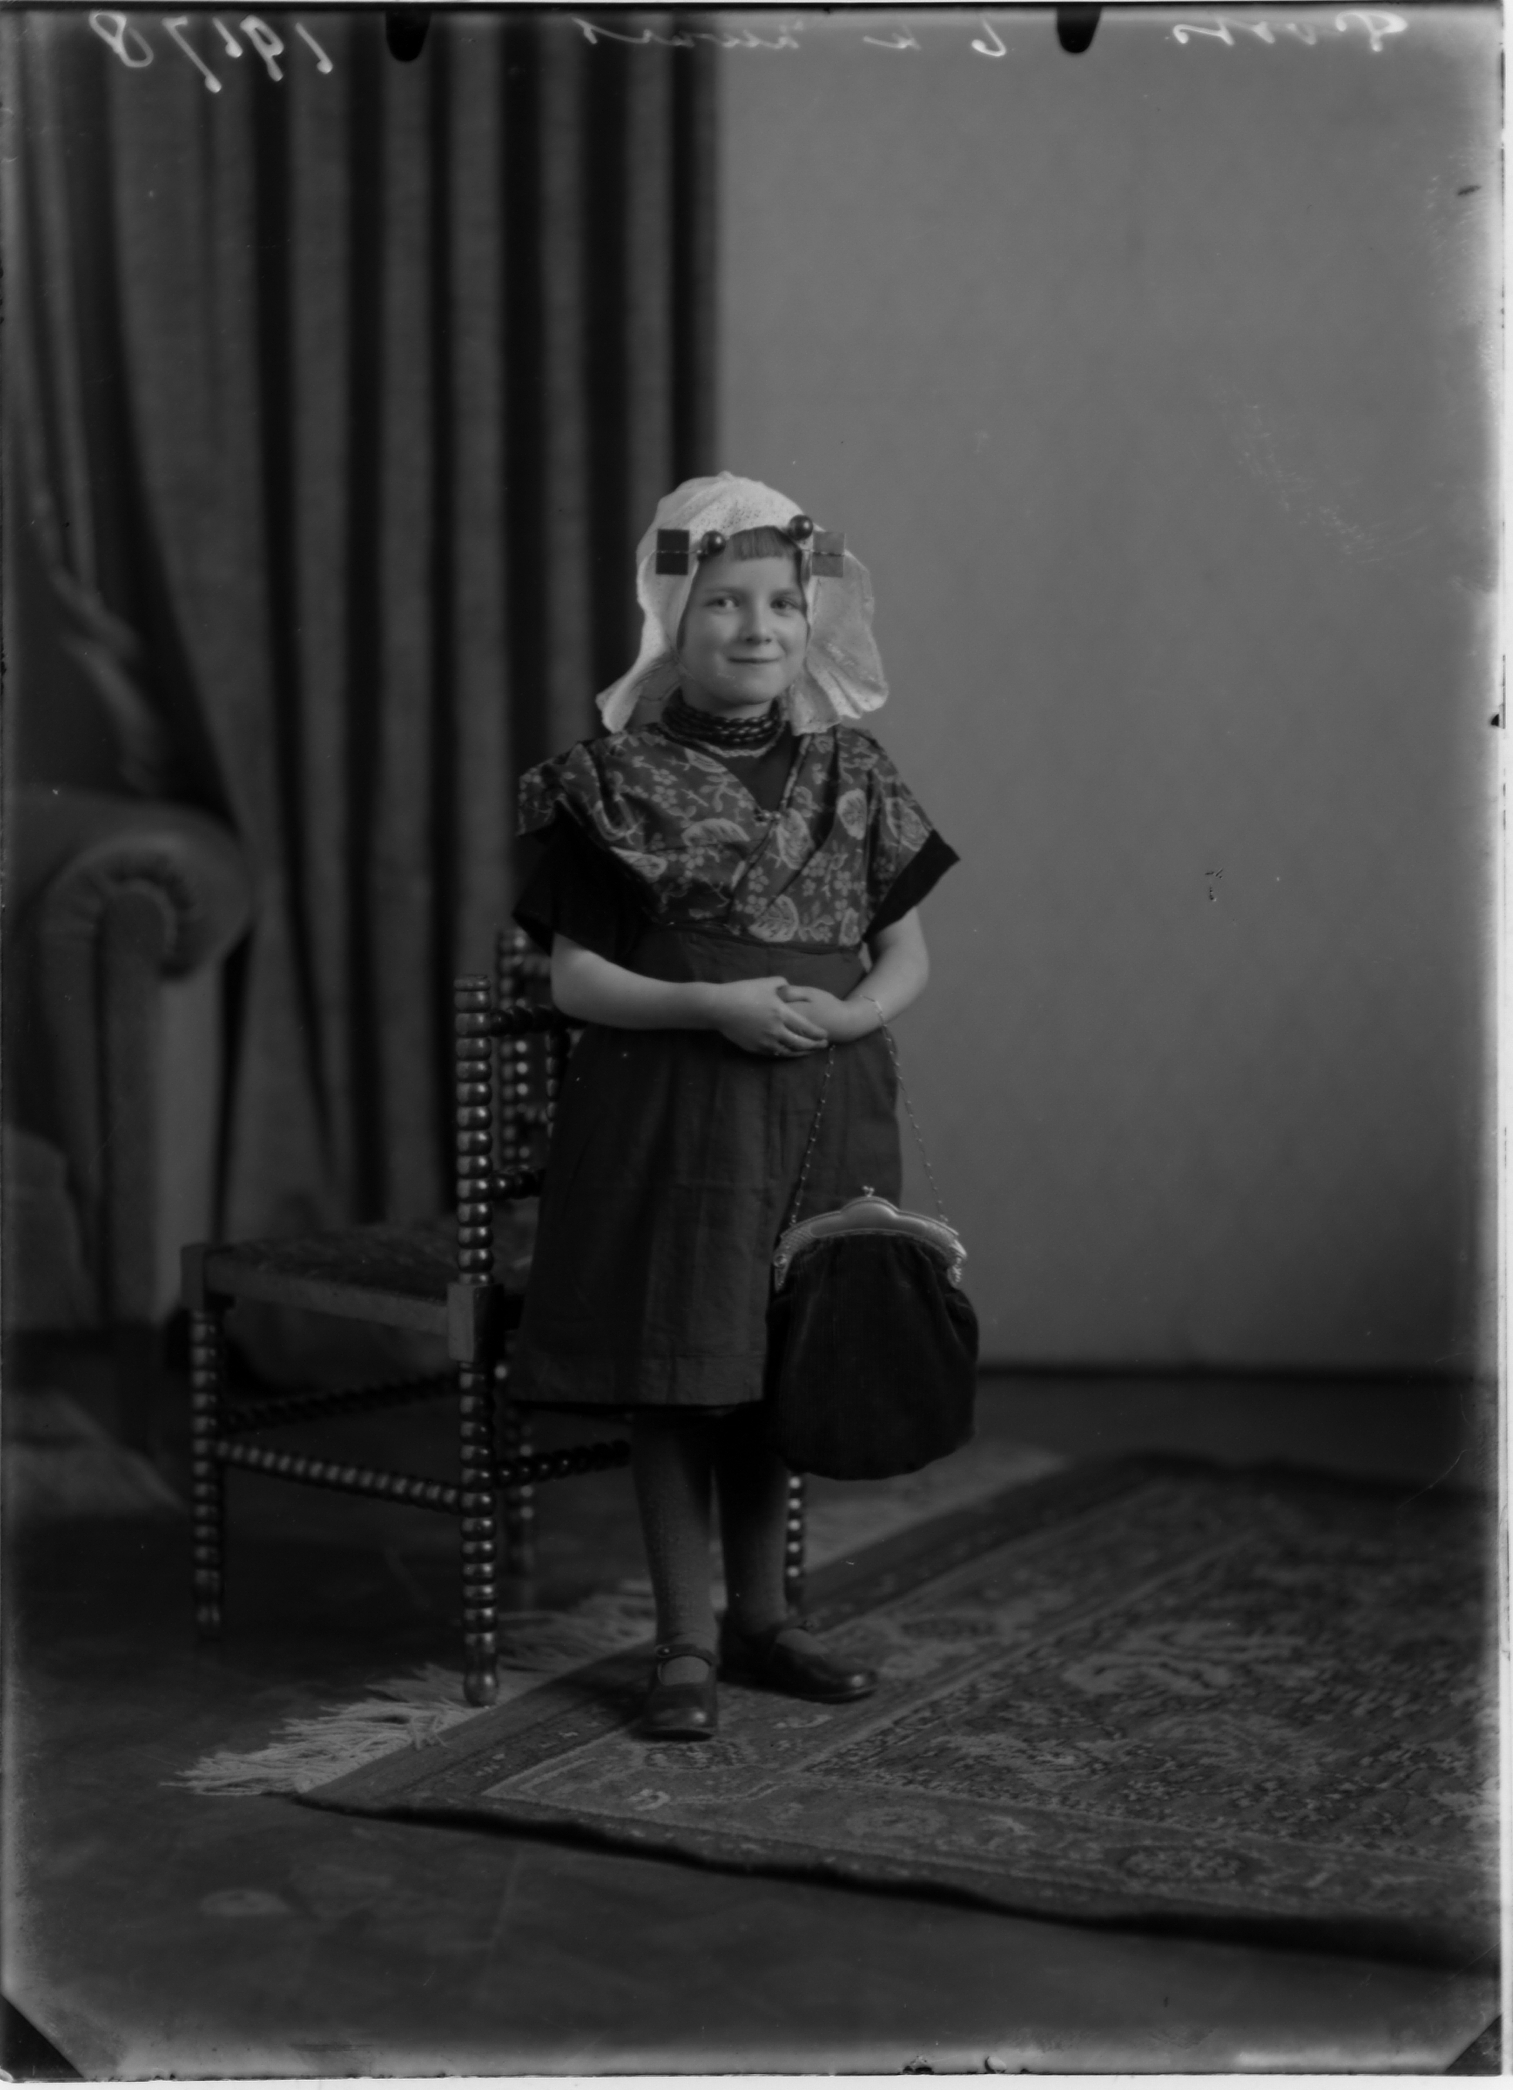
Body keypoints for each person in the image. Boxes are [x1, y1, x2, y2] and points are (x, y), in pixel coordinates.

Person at [512, 473, 958, 1741]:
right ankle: (683, 1641)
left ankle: (765, 1620)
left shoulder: (853, 771)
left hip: (824, 1097)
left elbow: (905, 955)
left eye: (780, 603)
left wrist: (852, 1018)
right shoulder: (607, 782)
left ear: (810, 620)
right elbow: (577, 980)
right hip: (672, 1103)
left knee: (780, 1354)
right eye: (722, 602)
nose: (756, 627)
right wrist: (710, 1005)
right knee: (680, 1365)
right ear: (673, 616)